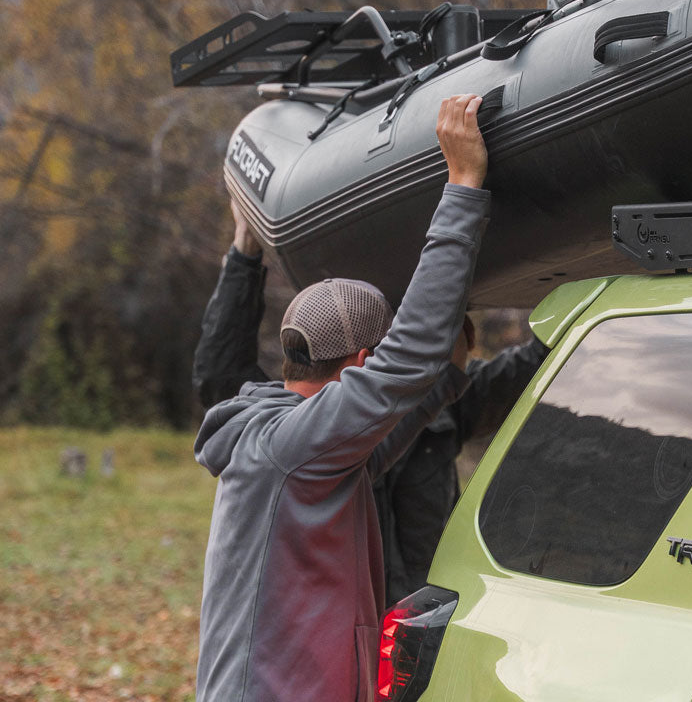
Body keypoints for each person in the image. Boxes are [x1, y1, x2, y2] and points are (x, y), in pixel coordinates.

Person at [194, 94, 507, 702]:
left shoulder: (302, 450)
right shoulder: (288, 446)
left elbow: (387, 434)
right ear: (362, 363)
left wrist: (443, 377)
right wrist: (463, 184)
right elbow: (408, 359)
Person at [194, 147, 547, 608]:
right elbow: (220, 377)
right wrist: (246, 249)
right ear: (365, 360)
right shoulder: (293, 444)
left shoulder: (434, 405)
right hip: (348, 634)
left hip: (418, 625)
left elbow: (513, 375)